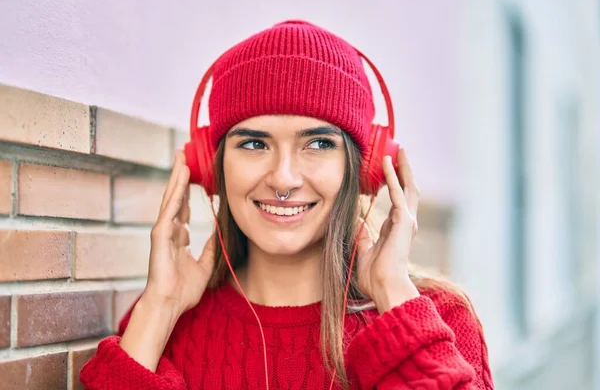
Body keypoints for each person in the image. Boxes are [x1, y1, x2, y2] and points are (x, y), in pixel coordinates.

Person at [80, 20, 494, 389]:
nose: (283, 179)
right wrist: (160, 309)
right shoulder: (163, 323)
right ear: (212, 166)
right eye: (254, 143)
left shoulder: (437, 318)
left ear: (364, 168)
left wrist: (390, 291)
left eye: (318, 143)